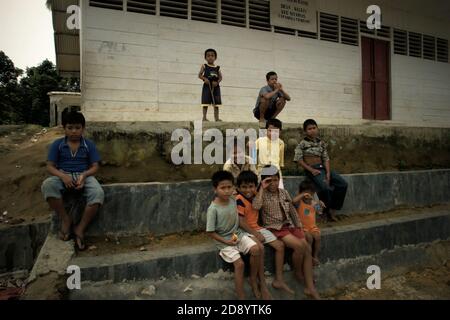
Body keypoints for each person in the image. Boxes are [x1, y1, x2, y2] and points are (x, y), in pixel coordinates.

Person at [253, 165, 320, 299]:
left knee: (306, 248)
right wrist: (261, 188)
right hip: (275, 228)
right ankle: (297, 272)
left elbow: (292, 211)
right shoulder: (262, 194)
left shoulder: (284, 192)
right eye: (269, 180)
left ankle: (310, 288)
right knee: (301, 246)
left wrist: (299, 226)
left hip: (289, 225)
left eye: (276, 180)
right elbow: (256, 206)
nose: (273, 183)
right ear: (264, 181)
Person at [41, 111, 104, 250]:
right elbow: (50, 166)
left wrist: (84, 175)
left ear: (83, 128)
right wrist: (62, 176)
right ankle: (65, 219)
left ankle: (80, 229)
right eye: (70, 128)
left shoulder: (89, 144)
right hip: (63, 175)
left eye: (77, 127)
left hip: (84, 176)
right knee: (48, 185)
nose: (74, 131)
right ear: (64, 128)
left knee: (98, 193)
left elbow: (95, 167)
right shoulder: (57, 144)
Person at [206, 170, 271, 300]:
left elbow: (247, 192)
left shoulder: (233, 199)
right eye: (222, 188)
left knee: (256, 249)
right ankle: (241, 297)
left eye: (229, 187)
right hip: (224, 241)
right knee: (240, 264)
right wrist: (226, 242)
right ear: (215, 189)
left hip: (237, 235)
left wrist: (260, 187)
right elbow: (210, 232)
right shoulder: (213, 209)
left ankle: (253, 280)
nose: (226, 190)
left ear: (233, 187)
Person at [236, 170, 294, 295]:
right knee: (260, 248)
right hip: (244, 230)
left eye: (251, 186)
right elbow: (241, 222)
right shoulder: (239, 199)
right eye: (244, 187)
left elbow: (260, 199)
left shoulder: (256, 194)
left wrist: (262, 186)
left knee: (280, 246)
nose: (248, 190)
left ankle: (279, 279)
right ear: (238, 188)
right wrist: (256, 234)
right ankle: (259, 282)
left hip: (257, 228)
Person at [293, 119, 348, 222]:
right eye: (309, 129)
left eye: (314, 128)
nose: (312, 130)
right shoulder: (302, 144)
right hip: (313, 170)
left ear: (317, 128)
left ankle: (333, 209)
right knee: (325, 188)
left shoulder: (321, 143)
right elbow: (298, 159)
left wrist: (328, 173)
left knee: (343, 184)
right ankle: (324, 212)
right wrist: (311, 170)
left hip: (323, 169)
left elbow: (326, 158)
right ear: (305, 131)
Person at [292, 179, 325, 266]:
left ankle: (315, 256)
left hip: (312, 227)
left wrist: (320, 204)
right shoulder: (299, 202)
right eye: (305, 193)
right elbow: (293, 201)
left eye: (310, 193)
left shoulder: (314, 203)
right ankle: (309, 257)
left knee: (317, 237)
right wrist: (302, 194)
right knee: (309, 238)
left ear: (313, 193)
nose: (307, 195)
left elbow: (320, 212)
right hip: (303, 227)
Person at [254, 118, 285, 188]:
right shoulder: (260, 140)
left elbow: (281, 159)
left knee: (279, 190)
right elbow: (253, 151)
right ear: (266, 131)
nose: (272, 133)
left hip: (276, 171)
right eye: (270, 131)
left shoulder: (281, 143)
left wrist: (279, 169)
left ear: (280, 131)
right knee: (260, 189)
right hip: (261, 170)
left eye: (275, 131)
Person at [198, 48, 222, 122]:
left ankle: (216, 118)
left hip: (215, 87)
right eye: (208, 56)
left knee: (216, 104)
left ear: (215, 57)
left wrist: (217, 82)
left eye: (212, 55)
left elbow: (220, 77)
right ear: (205, 58)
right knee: (205, 103)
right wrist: (204, 79)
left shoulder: (217, 68)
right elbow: (199, 75)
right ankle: (204, 117)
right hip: (207, 87)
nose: (210, 57)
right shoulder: (204, 66)